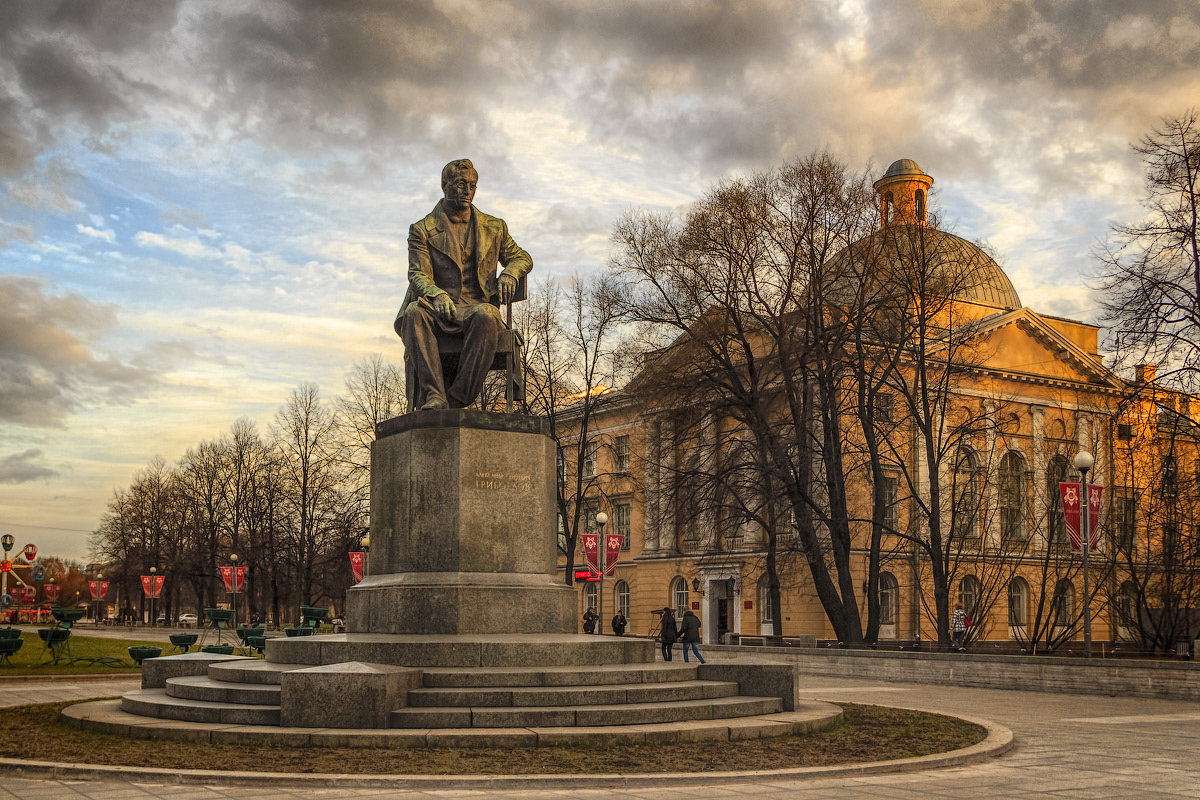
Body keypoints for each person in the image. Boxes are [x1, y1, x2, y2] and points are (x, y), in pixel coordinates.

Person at [395, 158, 533, 410]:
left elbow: (522, 257)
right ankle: (435, 395)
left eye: (472, 185)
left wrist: (510, 274)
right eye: (460, 184)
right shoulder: (422, 229)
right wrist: (435, 294)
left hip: (477, 308)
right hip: (440, 309)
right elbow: (418, 275)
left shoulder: (495, 227)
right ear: (444, 186)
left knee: (487, 315)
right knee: (414, 313)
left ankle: (457, 399)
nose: (467, 190)